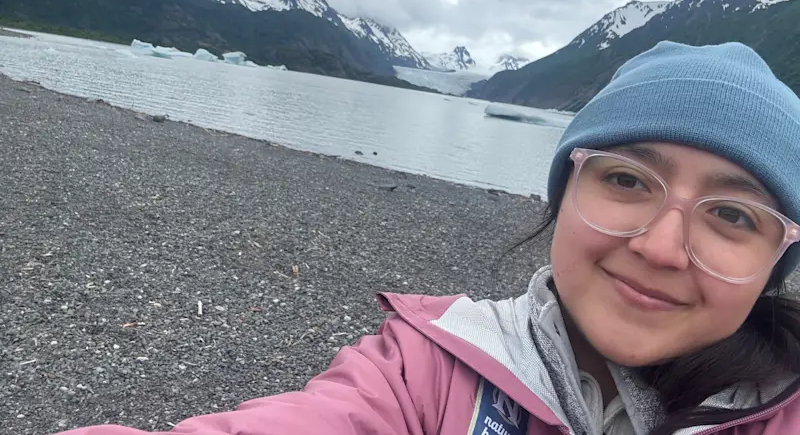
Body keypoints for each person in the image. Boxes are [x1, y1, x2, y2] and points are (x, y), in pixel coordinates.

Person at [61, 40, 800, 435]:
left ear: (776, 263)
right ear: (564, 195)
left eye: (735, 216)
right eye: (628, 180)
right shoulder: (424, 376)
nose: (662, 247)